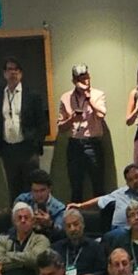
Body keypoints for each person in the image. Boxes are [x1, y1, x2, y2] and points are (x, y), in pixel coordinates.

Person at [55, 64, 111, 203]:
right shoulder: (66, 98)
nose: (85, 81)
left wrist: (88, 98)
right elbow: (61, 127)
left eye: (86, 77)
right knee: (76, 187)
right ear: (74, 81)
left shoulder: (98, 94)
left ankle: (101, 220)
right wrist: (71, 119)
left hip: (93, 143)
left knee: (98, 185)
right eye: (81, 78)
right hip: (74, 144)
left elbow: (101, 115)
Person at [0, 58, 49, 194]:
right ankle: (16, 214)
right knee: (13, 190)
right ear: (4, 73)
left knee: (32, 189)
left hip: (28, 149)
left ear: (21, 74)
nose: (12, 72)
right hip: (8, 150)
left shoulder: (32, 95)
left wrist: (36, 144)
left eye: (16, 69)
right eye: (9, 69)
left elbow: (42, 123)